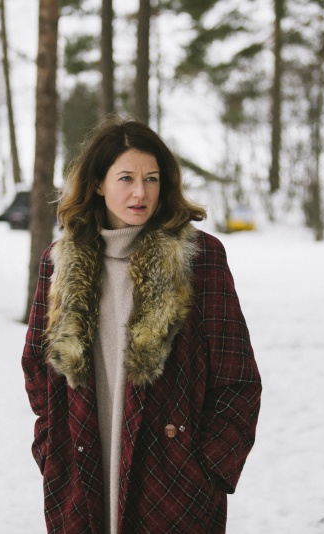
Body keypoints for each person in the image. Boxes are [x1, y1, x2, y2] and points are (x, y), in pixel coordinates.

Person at [22, 117, 262, 534]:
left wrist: (207, 470)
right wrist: (51, 445)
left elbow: (237, 378)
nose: (141, 192)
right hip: (81, 474)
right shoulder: (59, 262)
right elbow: (37, 368)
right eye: (126, 178)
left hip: (174, 488)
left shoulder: (198, 258)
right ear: (98, 183)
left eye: (151, 179)